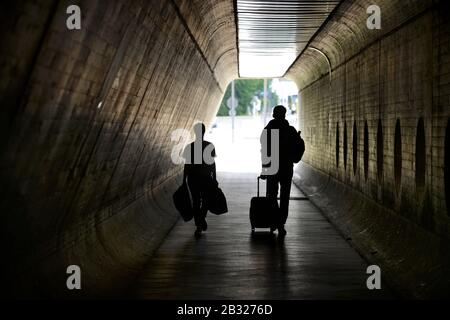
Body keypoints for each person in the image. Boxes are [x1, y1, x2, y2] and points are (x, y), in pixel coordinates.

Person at [260, 105, 303, 237]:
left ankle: (275, 221)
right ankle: (281, 223)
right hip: (286, 168)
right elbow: (298, 147)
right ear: (284, 115)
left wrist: (264, 170)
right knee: (285, 197)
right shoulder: (290, 130)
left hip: (272, 168)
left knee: (271, 195)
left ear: (273, 115)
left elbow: (265, 151)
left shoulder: (268, 130)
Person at [183, 123, 217, 237]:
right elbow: (212, 164)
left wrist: (184, 180)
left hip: (193, 179)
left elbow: (186, 165)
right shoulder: (209, 146)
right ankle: (201, 219)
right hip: (206, 178)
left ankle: (199, 223)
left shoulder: (190, 147)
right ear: (204, 132)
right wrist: (215, 178)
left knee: (196, 201)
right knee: (206, 201)